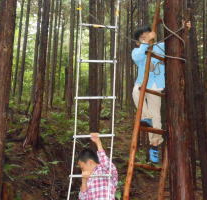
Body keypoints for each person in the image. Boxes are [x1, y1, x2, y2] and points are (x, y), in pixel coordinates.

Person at [132, 22, 191, 163]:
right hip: (141, 83)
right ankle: (146, 118)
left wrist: (184, 29)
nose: (145, 38)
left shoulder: (161, 47)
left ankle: (154, 144)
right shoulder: (137, 51)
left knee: (156, 116)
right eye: (142, 37)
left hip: (156, 86)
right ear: (138, 42)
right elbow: (138, 57)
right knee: (135, 93)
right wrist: (146, 43)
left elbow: (177, 43)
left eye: (148, 35)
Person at [78, 133, 118, 200]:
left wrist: (98, 143)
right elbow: (82, 198)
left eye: (82, 168)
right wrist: (84, 180)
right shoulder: (88, 180)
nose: (82, 171)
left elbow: (105, 163)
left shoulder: (104, 170)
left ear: (90, 162)